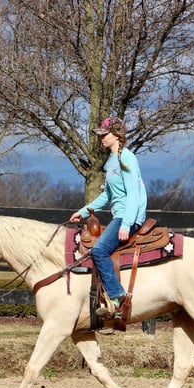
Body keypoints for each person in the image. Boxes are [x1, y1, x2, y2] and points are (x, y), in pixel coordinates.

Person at [70, 116, 147, 318]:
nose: (101, 138)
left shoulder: (127, 158)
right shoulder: (111, 161)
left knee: (100, 251)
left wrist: (127, 224)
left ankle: (117, 297)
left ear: (117, 135)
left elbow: (134, 194)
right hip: (120, 216)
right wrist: (83, 211)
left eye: (104, 134)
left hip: (126, 217)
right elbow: (107, 195)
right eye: (101, 135)